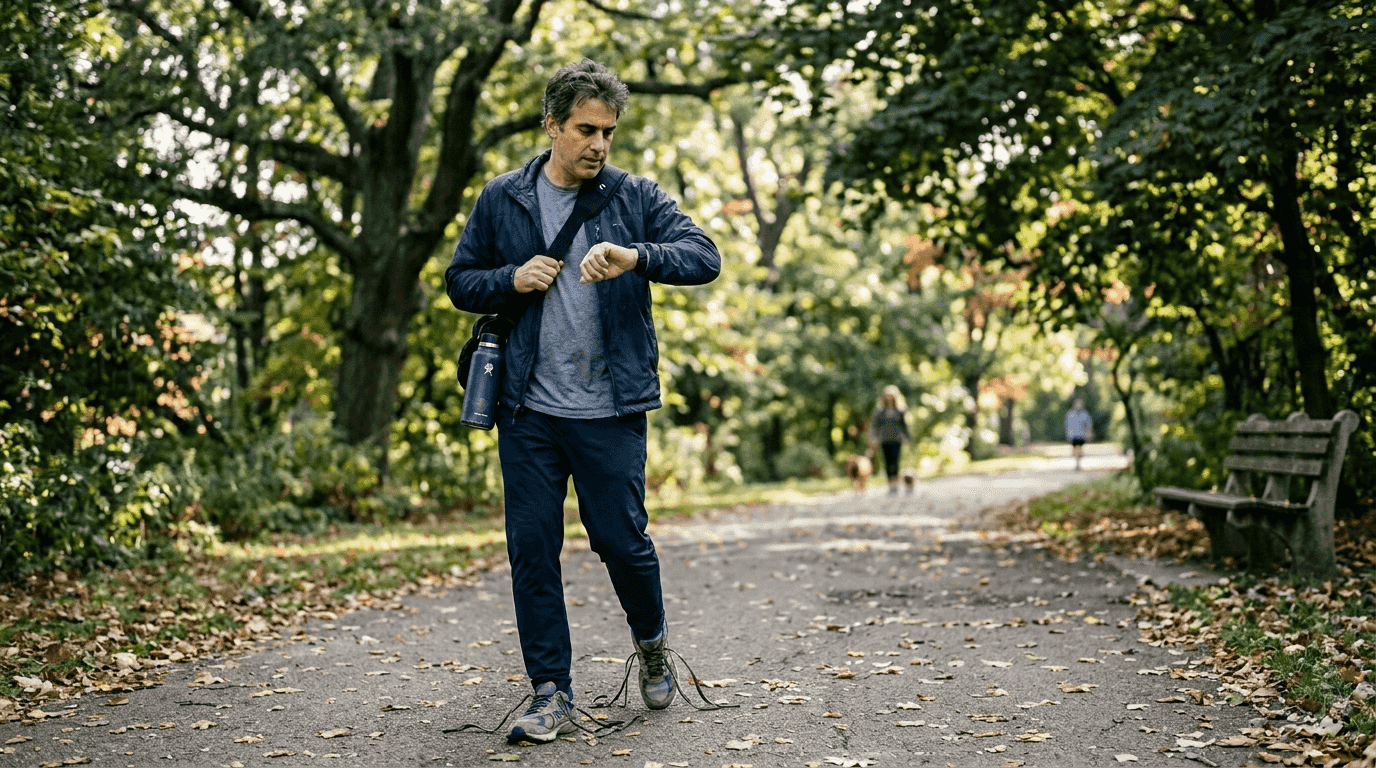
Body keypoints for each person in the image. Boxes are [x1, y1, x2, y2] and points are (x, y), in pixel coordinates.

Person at [444, 59, 721, 744]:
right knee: (532, 549)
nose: (599, 144)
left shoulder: (633, 196)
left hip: (611, 409)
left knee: (622, 542)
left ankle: (651, 646)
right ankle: (551, 693)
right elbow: (460, 280)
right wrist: (510, 278)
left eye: (608, 132)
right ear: (552, 125)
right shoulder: (503, 198)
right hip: (527, 410)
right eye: (586, 130)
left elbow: (705, 256)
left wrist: (637, 256)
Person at [868, 385, 912, 495]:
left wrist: (907, 437)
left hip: (896, 439)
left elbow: (904, 425)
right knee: (887, 462)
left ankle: (895, 483)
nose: (889, 398)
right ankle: (890, 484)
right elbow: (875, 426)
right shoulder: (880, 411)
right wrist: (874, 438)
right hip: (884, 440)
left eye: (891, 396)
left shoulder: (900, 410)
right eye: (887, 396)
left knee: (895, 462)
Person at [1064, 397, 1093, 471]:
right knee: (1075, 450)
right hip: (1073, 435)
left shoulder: (1085, 414)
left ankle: (1078, 463)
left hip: (1081, 435)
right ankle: (1077, 463)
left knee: (1079, 449)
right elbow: (1067, 425)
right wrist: (1067, 434)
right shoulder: (1070, 414)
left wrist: (1089, 433)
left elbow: (1089, 425)